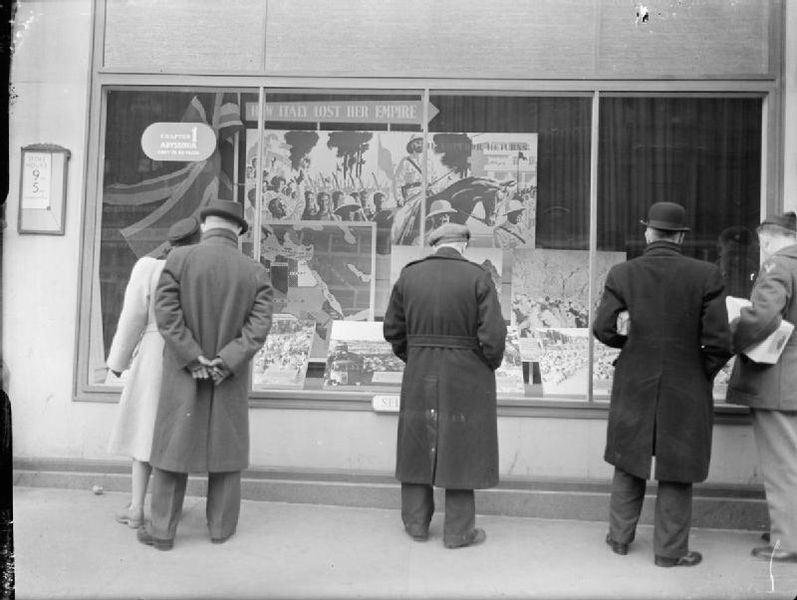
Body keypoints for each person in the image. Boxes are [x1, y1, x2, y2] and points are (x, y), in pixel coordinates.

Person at [592, 202, 732, 567]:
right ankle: (670, 552)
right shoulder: (707, 274)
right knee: (677, 466)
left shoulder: (623, 273)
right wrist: (701, 370)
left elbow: (603, 329)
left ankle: (620, 539)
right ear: (682, 236)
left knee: (628, 459)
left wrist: (632, 347)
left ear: (648, 233)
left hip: (634, 379)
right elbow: (719, 342)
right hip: (686, 384)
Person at [137, 199, 274, 551]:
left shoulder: (178, 260)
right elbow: (258, 329)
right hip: (228, 375)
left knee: (172, 449)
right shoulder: (255, 271)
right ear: (238, 231)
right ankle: (220, 529)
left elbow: (166, 314)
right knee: (227, 453)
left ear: (205, 226)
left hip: (184, 371)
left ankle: (163, 531)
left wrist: (192, 355)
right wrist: (224, 361)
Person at [383, 223, 506, 549]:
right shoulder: (478, 277)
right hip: (466, 374)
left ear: (435, 244)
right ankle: (458, 531)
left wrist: (416, 354)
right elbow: (493, 338)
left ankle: (416, 524)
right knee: (461, 447)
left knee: (416, 444)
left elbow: (392, 330)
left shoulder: (409, 275)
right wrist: (484, 365)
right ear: (464, 245)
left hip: (420, 369)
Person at [106, 216, 201, 529]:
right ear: (196, 240)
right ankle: (167, 509)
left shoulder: (148, 268)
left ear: (170, 243)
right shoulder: (198, 269)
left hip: (150, 352)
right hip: (187, 353)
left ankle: (136, 506)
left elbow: (132, 316)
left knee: (143, 430)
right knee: (173, 432)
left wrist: (117, 362)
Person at [726, 211, 797, 563]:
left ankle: (787, 542)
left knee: (782, 464)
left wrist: (733, 332)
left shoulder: (777, 267)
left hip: (779, 381)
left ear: (766, 239)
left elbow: (765, 317)